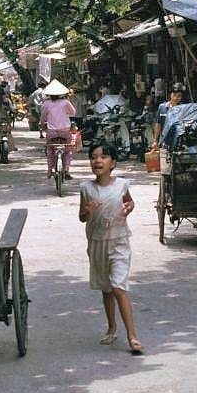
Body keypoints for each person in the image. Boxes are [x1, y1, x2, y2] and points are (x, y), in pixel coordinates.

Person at [79, 143, 142, 354]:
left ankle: (132, 336)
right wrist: (87, 211)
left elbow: (129, 202)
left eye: (103, 157)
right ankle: (112, 327)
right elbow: (82, 217)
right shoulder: (86, 188)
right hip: (97, 242)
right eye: (94, 157)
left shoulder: (122, 185)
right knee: (106, 288)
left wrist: (128, 209)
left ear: (113, 163)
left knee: (118, 286)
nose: (98, 160)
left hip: (119, 241)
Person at [40, 79, 77, 179]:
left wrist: (41, 124)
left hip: (52, 133)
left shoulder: (46, 104)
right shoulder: (65, 102)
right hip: (65, 132)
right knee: (68, 150)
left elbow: (43, 117)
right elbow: (73, 113)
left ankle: (49, 170)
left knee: (50, 150)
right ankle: (66, 170)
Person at [0, 84, 17, 153]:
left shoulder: (7, 101)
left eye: (1, 94)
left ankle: (12, 145)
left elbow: (12, 108)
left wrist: (14, 111)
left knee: (8, 131)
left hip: (6, 119)